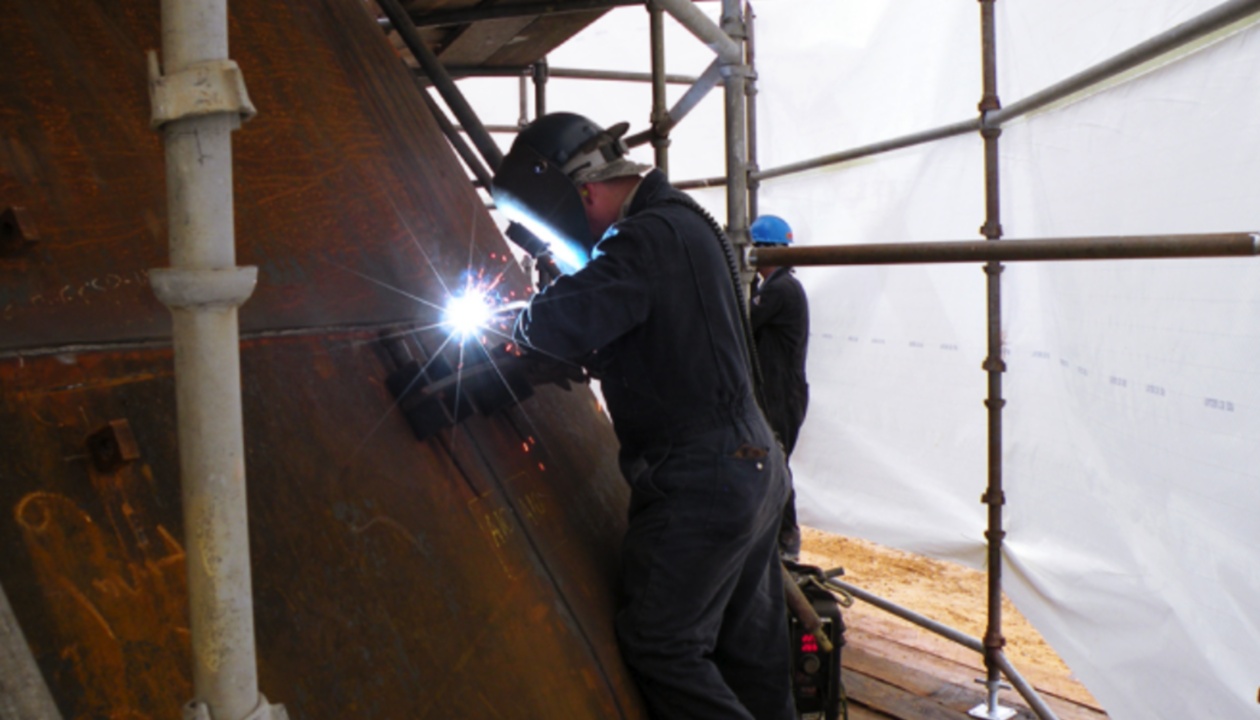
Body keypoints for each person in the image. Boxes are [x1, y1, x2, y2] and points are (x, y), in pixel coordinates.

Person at [492, 112, 795, 720]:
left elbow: (559, 323)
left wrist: (518, 321)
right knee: (751, 655)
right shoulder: (681, 224)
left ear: (584, 194)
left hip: (703, 476)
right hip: (753, 468)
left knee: (662, 643)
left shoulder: (644, 237)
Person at [748, 215, 810, 561]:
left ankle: (787, 540)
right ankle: (775, 535)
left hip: (781, 394)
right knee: (768, 461)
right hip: (777, 390)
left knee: (775, 462)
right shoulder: (774, 289)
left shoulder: (781, 291)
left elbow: (743, 322)